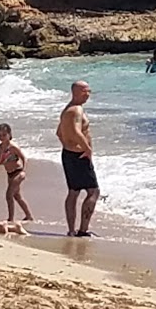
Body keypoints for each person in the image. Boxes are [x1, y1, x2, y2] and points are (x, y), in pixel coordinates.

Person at [56, 80, 101, 237]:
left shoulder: (67, 110)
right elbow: (76, 131)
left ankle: (71, 229)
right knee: (93, 192)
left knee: (73, 192)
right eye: (85, 91)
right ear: (76, 92)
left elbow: (59, 133)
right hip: (78, 156)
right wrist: (87, 149)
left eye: (89, 91)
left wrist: (68, 145)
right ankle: (83, 230)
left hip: (68, 154)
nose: (88, 95)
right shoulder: (76, 110)